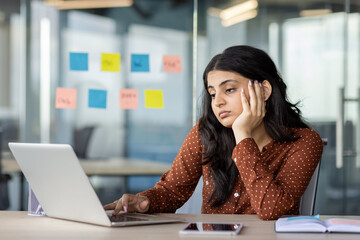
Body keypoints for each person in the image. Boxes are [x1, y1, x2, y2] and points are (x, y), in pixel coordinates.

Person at [104, 45, 324, 220]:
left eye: (229, 89)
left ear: (264, 90)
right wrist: (144, 202)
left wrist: (243, 135)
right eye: (212, 93)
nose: (217, 102)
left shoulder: (304, 142)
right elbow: (172, 191)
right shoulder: (206, 132)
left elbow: (272, 210)